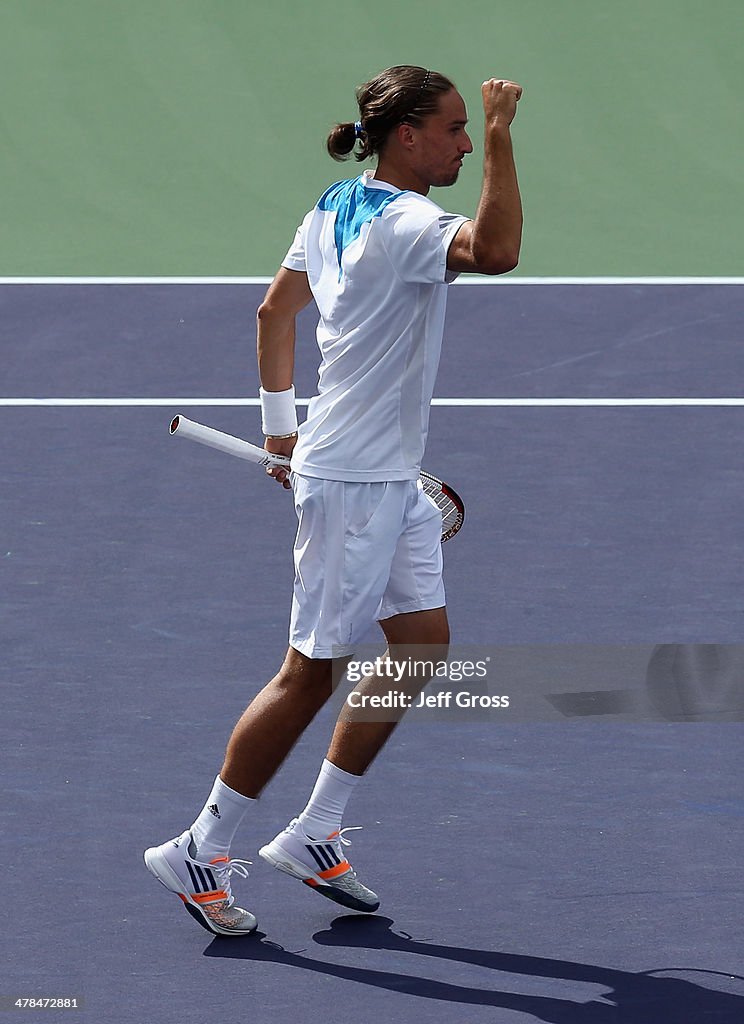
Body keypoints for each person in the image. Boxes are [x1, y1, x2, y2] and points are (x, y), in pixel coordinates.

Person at [144, 65, 523, 936]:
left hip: (378, 472)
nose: (466, 142)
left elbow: (273, 314)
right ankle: (200, 846)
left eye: (474, 129)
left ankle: (315, 829)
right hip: (353, 481)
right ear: (408, 137)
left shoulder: (336, 203)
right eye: (456, 128)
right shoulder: (408, 224)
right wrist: (507, 136)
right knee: (309, 671)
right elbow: (497, 252)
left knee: (420, 644)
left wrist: (281, 431)